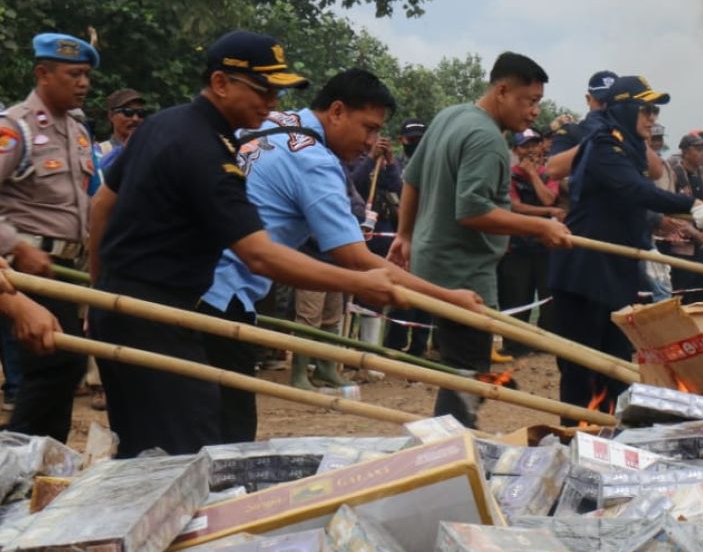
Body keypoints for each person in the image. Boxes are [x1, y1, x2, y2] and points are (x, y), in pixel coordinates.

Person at [88, 31, 401, 457]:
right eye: (263, 90)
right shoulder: (208, 151)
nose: (273, 103)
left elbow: (102, 205)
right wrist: (359, 283)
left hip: (128, 309)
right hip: (166, 318)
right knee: (195, 458)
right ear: (221, 83)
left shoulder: (166, 123)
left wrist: (99, 291)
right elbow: (259, 254)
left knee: (143, 453)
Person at [194, 69, 482, 442]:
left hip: (186, 283)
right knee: (226, 438)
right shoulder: (315, 162)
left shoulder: (277, 120)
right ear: (337, 111)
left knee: (189, 422)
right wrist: (448, 298)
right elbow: (357, 260)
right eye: (368, 128)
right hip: (221, 298)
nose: (371, 142)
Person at [388, 52, 571, 428]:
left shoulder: (450, 115)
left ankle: (453, 442)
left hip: (433, 261)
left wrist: (405, 235)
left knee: (459, 368)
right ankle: (455, 450)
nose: (535, 111)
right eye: (530, 100)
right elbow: (471, 211)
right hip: (463, 273)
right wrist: (540, 227)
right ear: (503, 90)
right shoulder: (486, 138)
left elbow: (413, 178)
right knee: (467, 373)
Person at [548, 76, 703, 417]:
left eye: (654, 109)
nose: (652, 117)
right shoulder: (602, 146)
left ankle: (612, 438)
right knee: (583, 369)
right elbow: (634, 191)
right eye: (646, 109)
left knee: (615, 366)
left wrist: (668, 219)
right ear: (625, 109)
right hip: (584, 272)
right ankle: (574, 439)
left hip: (614, 271)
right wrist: (694, 204)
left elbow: (632, 204)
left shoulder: (626, 147)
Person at [0, 32, 98, 441]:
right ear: (43, 73)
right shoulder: (15, 128)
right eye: (73, 74)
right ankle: (21, 458)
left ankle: (45, 460)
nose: (84, 83)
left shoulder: (76, 129)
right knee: (52, 366)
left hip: (66, 268)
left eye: (87, 75)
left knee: (63, 368)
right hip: (26, 267)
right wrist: (16, 246)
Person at [350, 117, 431, 354]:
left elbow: (400, 189)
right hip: (363, 233)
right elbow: (354, 184)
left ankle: (374, 349)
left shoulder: (394, 164)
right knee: (359, 294)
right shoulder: (356, 159)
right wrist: (372, 159)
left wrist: (390, 162)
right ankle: (352, 349)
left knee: (388, 291)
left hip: (388, 232)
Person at [498, 127, 563, 353]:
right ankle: (514, 344)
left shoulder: (548, 174)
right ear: (516, 150)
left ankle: (545, 343)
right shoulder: (509, 174)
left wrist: (534, 175)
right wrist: (547, 212)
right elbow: (514, 207)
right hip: (517, 245)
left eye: (534, 144)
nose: (531, 150)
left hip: (545, 245)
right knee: (516, 296)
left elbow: (548, 197)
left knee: (549, 298)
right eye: (525, 146)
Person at [665, 133, 703, 300]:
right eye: (697, 149)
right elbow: (668, 208)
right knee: (684, 294)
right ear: (685, 151)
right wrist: (695, 233)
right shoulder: (673, 174)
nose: (702, 153)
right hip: (683, 247)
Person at [96, 88, 149, 173]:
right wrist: (123, 149)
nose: (135, 119)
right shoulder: (100, 151)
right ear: (111, 116)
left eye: (140, 113)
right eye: (128, 112)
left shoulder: (150, 150)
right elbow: (98, 172)